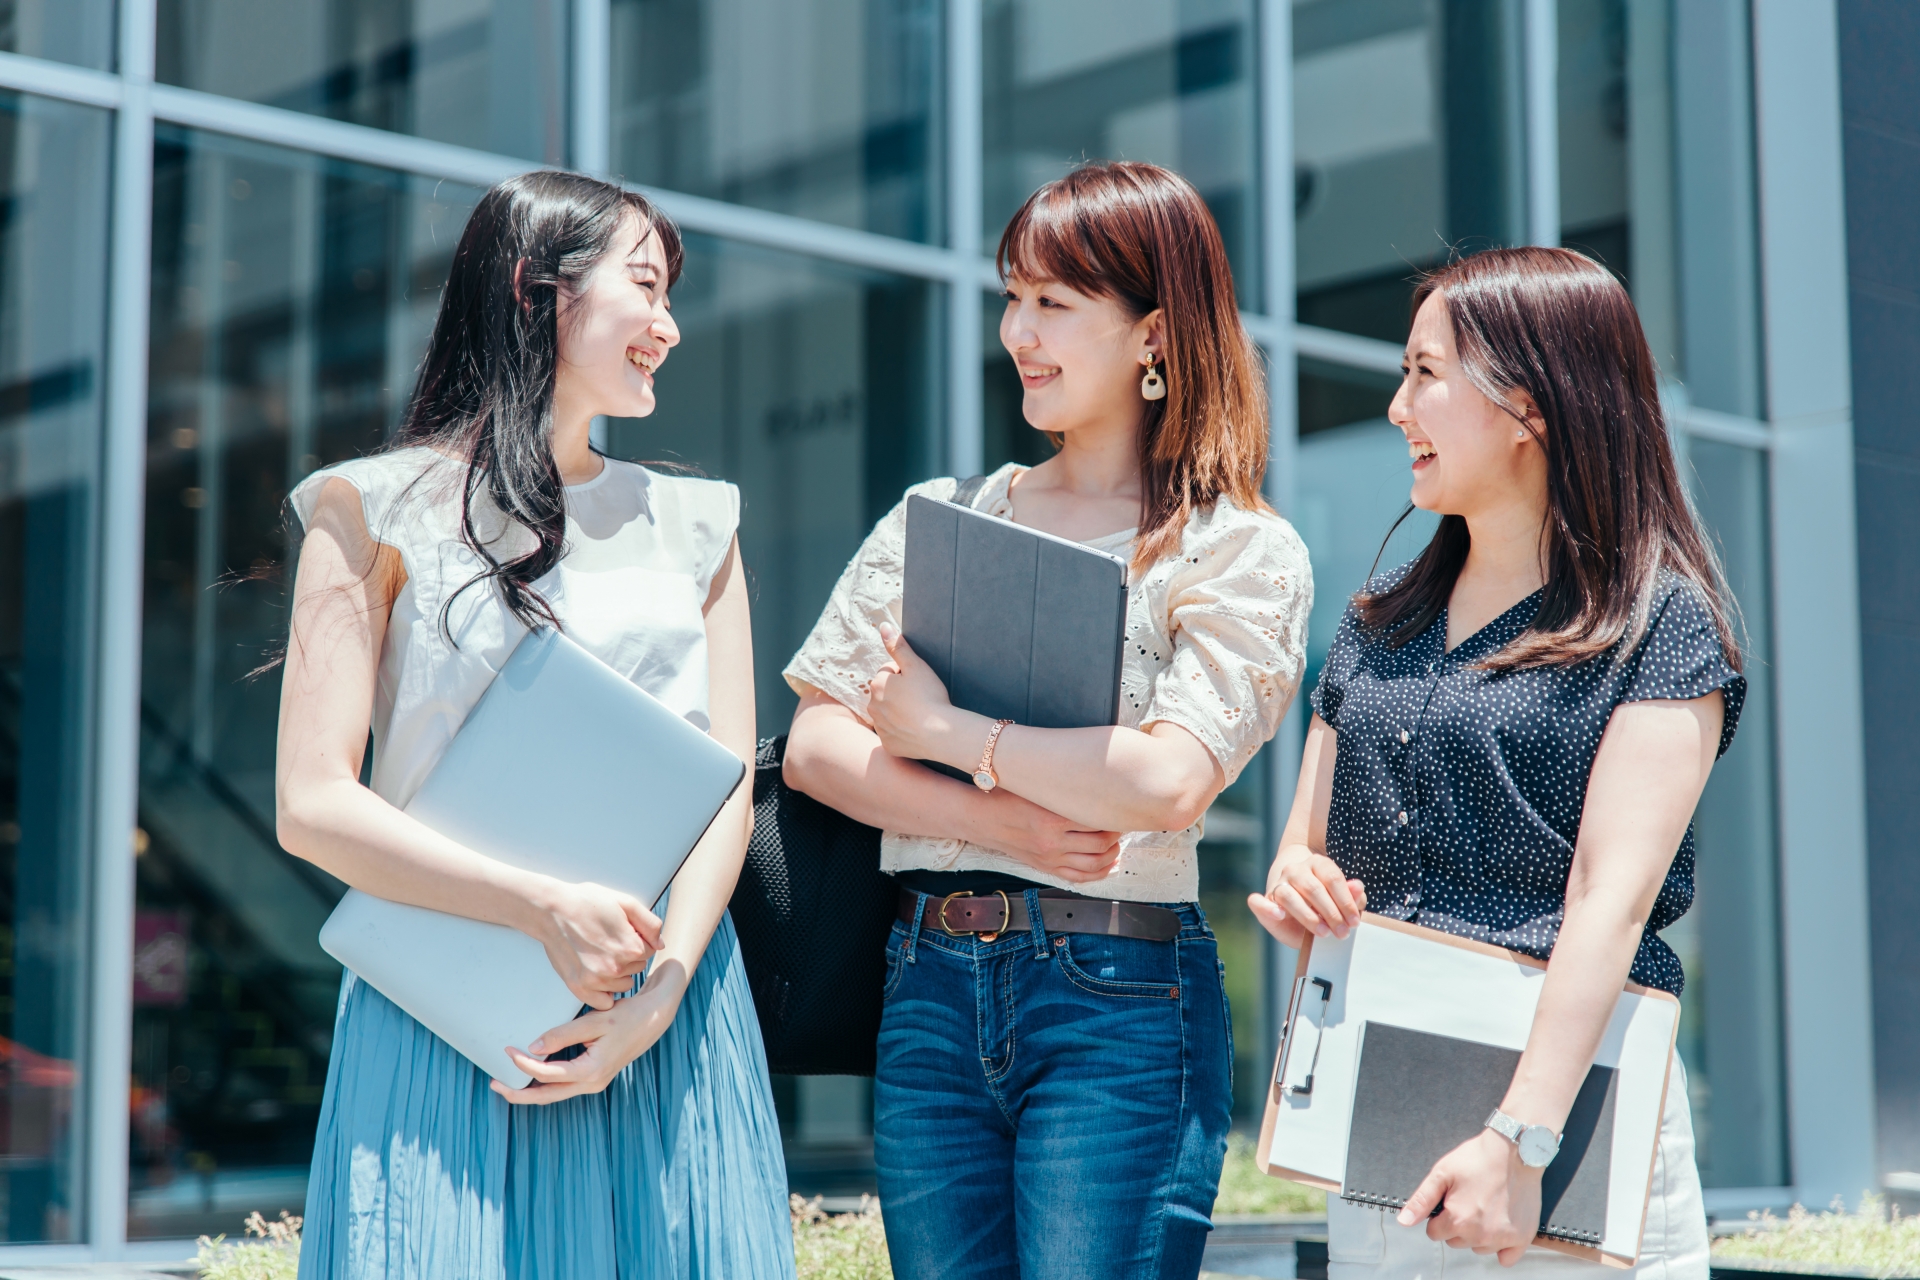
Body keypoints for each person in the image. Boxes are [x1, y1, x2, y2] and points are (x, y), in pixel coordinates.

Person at [781, 161, 1313, 1279]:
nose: (1018, 332)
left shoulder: (1234, 548)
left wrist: (943, 732)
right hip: (926, 983)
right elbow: (820, 748)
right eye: (1013, 297)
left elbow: (1166, 781)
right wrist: (1011, 821)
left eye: (1055, 304)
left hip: (1118, 996)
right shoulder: (940, 515)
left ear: (1153, 332)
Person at [275, 170, 793, 1280]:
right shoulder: (369, 508)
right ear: (534, 287)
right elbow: (311, 803)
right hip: (444, 1009)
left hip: (664, 1018)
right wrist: (541, 907)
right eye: (645, 286)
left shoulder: (698, 524)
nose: (670, 326)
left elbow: (725, 787)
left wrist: (660, 997)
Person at [1251, 246, 1738, 1277]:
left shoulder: (1657, 625)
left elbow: (1610, 901)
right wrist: (1299, 883)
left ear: (1530, 405)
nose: (1397, 408)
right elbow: (1303, 847)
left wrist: (1521, 1141)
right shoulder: (1377, 620)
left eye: (1425, 373)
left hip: (1565, 1137)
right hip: (1378, 1122)